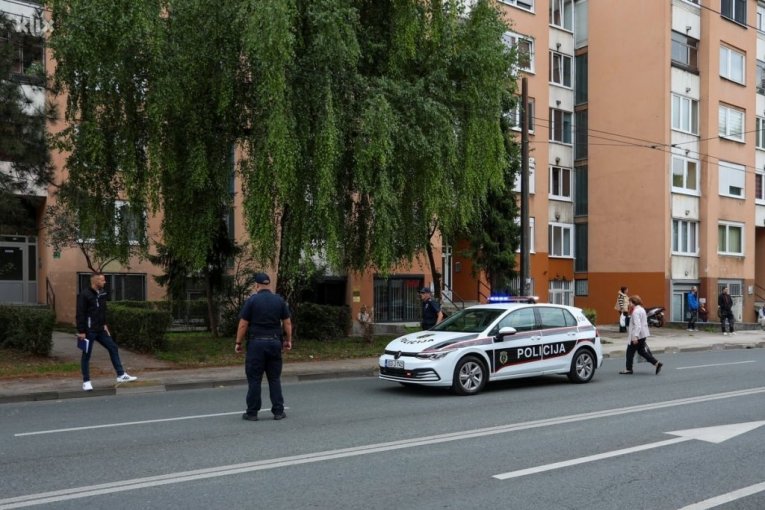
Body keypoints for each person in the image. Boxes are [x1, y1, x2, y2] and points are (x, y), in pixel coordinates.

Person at [236, 272, 292, 421]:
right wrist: (288, 340)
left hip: (256, 345)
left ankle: (252, 413)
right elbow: (287, 322)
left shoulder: (251, 301)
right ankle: (278, 412)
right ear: (269, 285)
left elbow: (243, 324)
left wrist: (238, 342)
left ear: (256, 285)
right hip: (274, 343)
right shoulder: (279, 301)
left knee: (254, 379)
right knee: (274, 378)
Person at [76, 273, 138, 391]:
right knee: (86, 355)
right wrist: (81, 331)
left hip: (100, 329)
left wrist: (104, 324)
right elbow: (80, 314)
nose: (105, 282)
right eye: (102, 280)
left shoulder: (103, 293)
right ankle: (86, 381)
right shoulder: (84, 295)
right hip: (89, 331)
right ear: (95, 281)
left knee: (113, 347)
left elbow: (103, 310)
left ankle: (121, 375)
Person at [619, 295, 663, 375]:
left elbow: (638, 325)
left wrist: (635, 336)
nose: (629, 303)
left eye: (630, 302)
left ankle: (628, 369)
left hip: (637, 335)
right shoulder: (641, 309)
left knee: (629, 352)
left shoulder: (636, 312)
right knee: (642, 351)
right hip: (643, 335)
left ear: (633, 302)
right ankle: (657, 363)